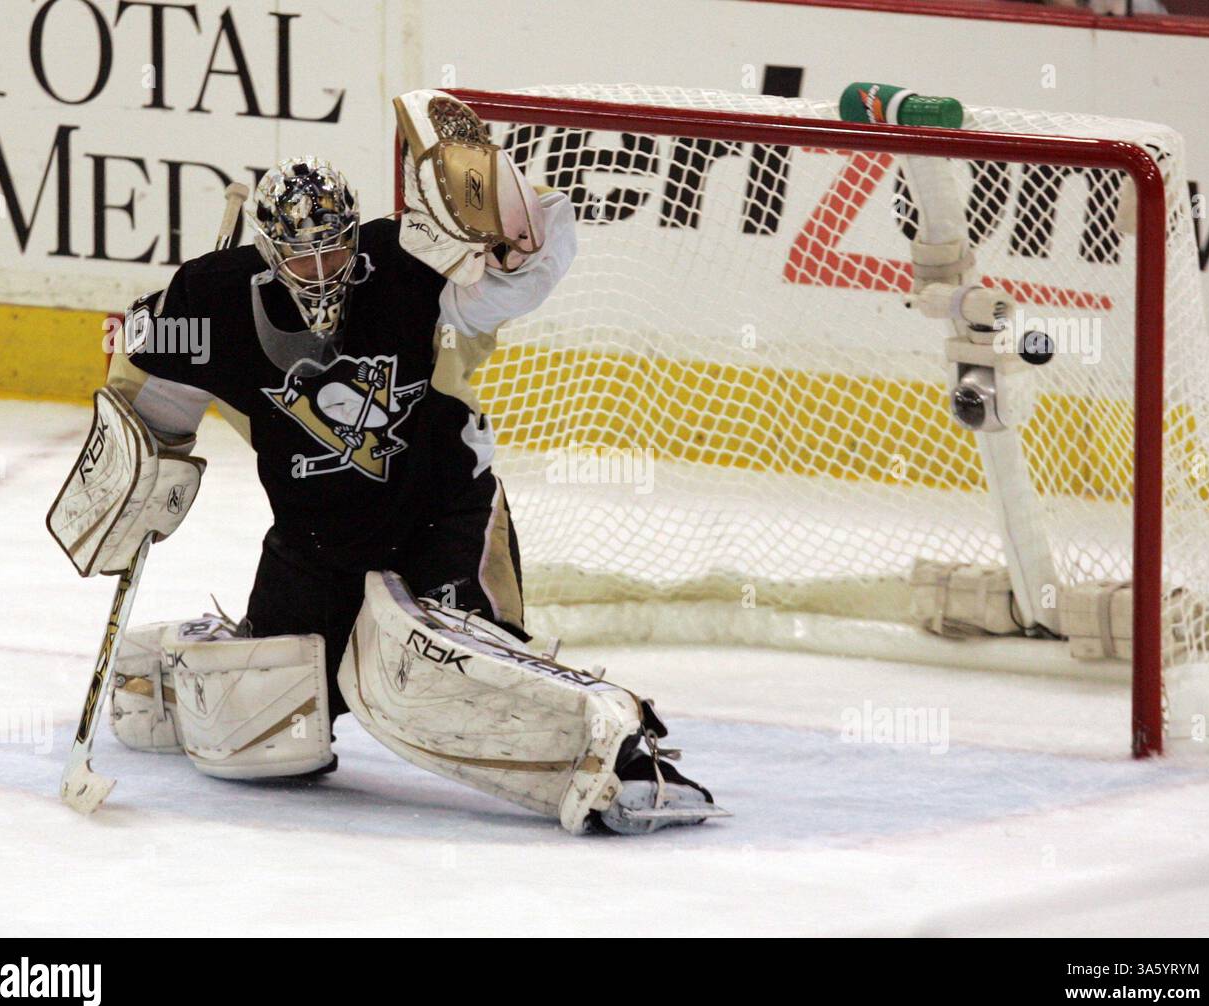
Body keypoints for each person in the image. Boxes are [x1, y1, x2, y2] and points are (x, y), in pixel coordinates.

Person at [50, 90, 723, 835]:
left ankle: (623, 752)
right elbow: (145, 376)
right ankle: (174, 672)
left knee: (433, 670)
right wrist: (140, 460)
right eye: (299, 254)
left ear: (355, 233)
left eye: (334, 247)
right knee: (263, 742)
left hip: (440, 515)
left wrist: (514, 218)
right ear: (267, 250)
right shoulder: (212, 301)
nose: (320, 268)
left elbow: (528, 273)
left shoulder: (405, 266)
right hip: (313, 545)